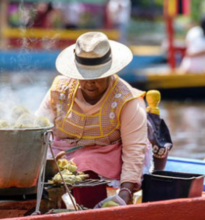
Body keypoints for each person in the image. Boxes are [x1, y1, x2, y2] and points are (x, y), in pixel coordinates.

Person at [36, 32, 151, 206]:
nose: (89, 82)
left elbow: (134, 149)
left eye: (96, 76)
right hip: (60, 153)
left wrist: (126, 192)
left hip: (106, 157)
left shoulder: (127, 101)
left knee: (84, 166)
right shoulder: (60, 90)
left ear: (109, 72)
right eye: (84, 76)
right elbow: (38, 128)